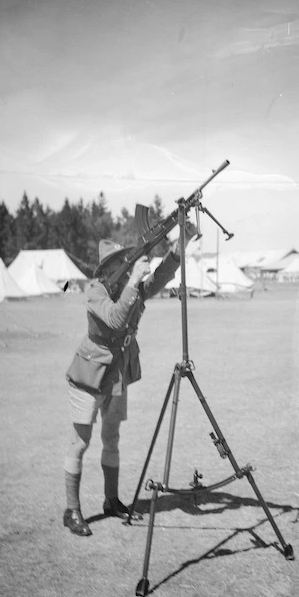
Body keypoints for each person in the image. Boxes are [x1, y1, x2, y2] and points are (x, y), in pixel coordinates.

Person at [63, 221, 197, 536]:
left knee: (112, 440)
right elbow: (115, 317)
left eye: (126, 265)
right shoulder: (95, 290)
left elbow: (161, 277)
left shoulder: (131, 287)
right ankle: (72, 510)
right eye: (120, 265)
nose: (125, 270)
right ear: (106, 268)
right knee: (80, 443)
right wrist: (134, 279)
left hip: (117, 374)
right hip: (89, 374)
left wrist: (181, 245)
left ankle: (111, 500)